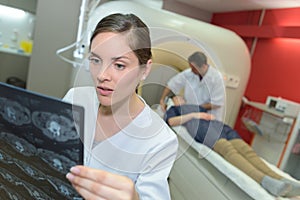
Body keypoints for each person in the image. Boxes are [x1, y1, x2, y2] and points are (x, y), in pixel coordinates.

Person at [63, 13, 178, 200]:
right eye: (96, 60)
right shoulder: (75, 99)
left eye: (119, 65)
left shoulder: (160, 141)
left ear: (145, 70)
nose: (102, 75)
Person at [164, 96, 300, 197]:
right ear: (172, 101)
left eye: (182, 97)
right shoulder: (174, 109)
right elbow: (171, 121)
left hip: (220, 127)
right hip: (203, 129)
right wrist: (195, 115)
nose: (181, 98)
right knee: (229, 150)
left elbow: (214, 104)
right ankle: (266, 181)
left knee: (247, 151)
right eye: (177, 97)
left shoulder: (197, 105)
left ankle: (281, 179)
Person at [159, 51, 225, 121]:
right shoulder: (189, 73)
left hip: (208, 117)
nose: (192, 70)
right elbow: (171, 84)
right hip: (190, 114)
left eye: (194, 68)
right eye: (191, 67)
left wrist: (192, 109)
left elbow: (216, 104)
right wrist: (162, 100)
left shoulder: (217, 79)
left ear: (203, 66)